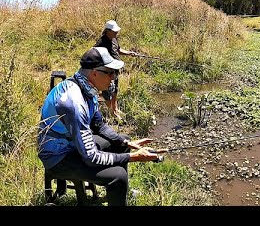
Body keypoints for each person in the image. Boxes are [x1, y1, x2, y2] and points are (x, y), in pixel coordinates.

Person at [37, 46, 166, 206]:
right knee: (118, 176)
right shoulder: (74, 102)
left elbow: (99, 125)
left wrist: (126, 143)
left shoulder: (86, 88)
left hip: (72, 145)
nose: (113, 78)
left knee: (122, 142)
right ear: (94, 73)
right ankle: (118, 187)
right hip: (58, 157)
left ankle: (119, 194)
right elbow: (91, 157)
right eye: (110, 73)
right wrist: (134, 157)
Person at [93, 20, 138, 120]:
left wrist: (129, 53)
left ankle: (115, 109)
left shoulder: (114, 39)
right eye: (114, 31)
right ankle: (112, 112)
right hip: (106, 72)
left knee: (115, 90)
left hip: (115, 70)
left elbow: (118, 50)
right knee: (108, 90)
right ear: (107, 30)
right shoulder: (101, 42)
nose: (116, 33)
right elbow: (95, 55)